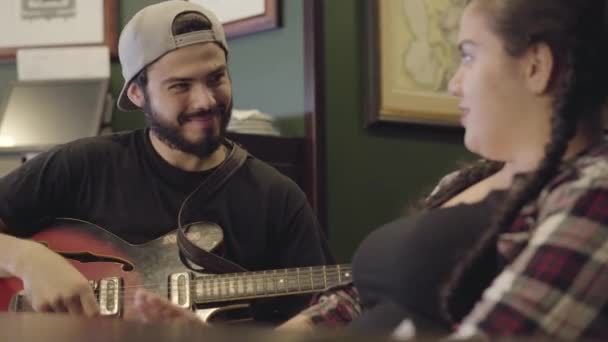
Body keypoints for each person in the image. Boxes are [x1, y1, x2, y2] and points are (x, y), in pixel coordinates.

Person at [134, 0, 608, 339]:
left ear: (536, 66)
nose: (454, 82)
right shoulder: (466, 181)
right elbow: (354, 300)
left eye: (468, 54)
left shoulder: (593, 191)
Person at [0, 0, 332, 325]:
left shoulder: (276, 198)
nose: (205, 100)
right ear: (137, 94)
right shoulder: (82, 165)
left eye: (216, 78)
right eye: (180, 86)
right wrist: (28, 259)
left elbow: (325, 314)